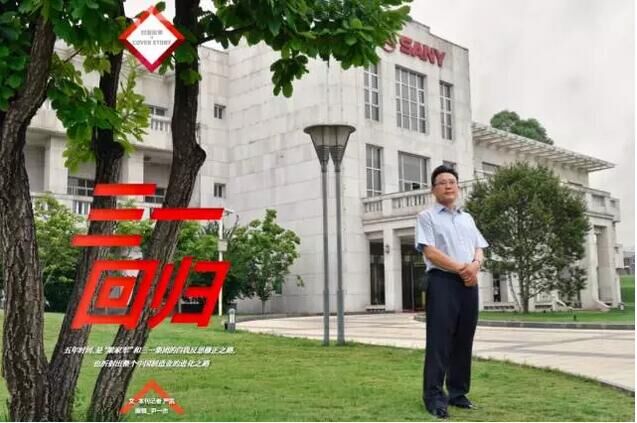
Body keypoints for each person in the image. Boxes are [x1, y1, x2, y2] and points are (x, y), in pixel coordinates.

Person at [415, 165, 489, 419]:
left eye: (452, 181)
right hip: (443, 282)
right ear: (433, 189)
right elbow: (430, 252)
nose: (448, 185)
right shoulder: (427, 217)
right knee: (439, 342)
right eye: (442, 182)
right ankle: (434, 398)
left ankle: (458, 393)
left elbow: (479, 248)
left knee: (464, 339)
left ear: (458, 187)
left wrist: (475, 265)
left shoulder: (467, 218)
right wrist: (462, 268)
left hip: (468, 284)